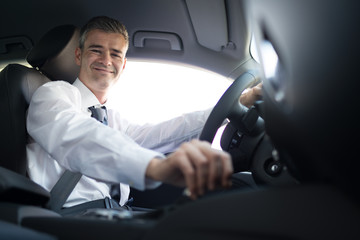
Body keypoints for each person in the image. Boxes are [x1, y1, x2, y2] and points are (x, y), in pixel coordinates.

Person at [26, 16, 261, 210]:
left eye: (115, 54)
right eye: (96, 50)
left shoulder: (113, 119)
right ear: (79, 56)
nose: (106, 60)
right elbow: (75, 135)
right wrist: (155, 167)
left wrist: (241, 102)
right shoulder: (53, 94)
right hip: (71, 220)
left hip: (119, 214)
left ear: (124, 64)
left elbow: (165, 132)